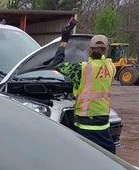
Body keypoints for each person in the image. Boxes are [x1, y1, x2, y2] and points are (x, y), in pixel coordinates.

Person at [49, 18, 117, 154]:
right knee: (108, 155)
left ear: (89, 50)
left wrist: (64, 42)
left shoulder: (83, 68)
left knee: (84, 155)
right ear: (106, 50)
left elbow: (57, 64)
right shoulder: (112, 67)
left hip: (85, 124)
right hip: (103, 122)